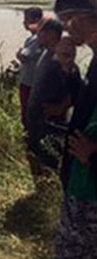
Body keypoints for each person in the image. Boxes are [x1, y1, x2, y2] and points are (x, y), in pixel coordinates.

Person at [52, 0, 97, 259]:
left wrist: (93, 157)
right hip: (83, 180)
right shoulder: (94, 59)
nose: (65, 27)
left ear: (88, 18)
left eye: (68, 18)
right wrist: (68, 70)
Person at [25, 19, 76, 179]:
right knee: (34, 153)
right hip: (37, 119)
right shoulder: (46, 52)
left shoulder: (62, 58)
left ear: (50, 34)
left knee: (49, 159)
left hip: (51, 121)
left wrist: (61, 108)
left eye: (40, 32)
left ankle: (48, 194)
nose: (37, 35)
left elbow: (75, 90)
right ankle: (40, 191)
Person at [16, 7, 45, 130]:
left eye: (26, 19)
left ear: (36, 20)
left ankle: (29, 139)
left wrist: (18, 54)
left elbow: (24, 56)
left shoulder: (37, 38)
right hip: (32, 81)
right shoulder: (38, 37)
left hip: (30, 83)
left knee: (28, 113)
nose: (24, 22)